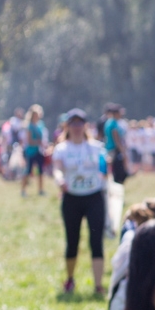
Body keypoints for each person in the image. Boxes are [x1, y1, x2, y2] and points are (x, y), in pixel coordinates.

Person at [52, 109, 108, 295]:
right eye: (73, 124)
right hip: (72, 198)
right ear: (67, 126)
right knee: (72, 240)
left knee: (96, 241)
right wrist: (60, 180)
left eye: (79, 123)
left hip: (94, 197)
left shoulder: (96, 147)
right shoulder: (62, 148)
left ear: (85, 126)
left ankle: (98, 285)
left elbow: (104, 168)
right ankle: (69, 279)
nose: (76, 127)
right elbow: (58, 169)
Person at [20, 105, 47, 196]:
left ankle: (41, 190)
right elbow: (30, 141)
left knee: (40, 171)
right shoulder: (29, 126)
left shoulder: (40, 125)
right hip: (31, 152)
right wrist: (38, 142)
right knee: (28, 171)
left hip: (39, 151)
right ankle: (23, 190)